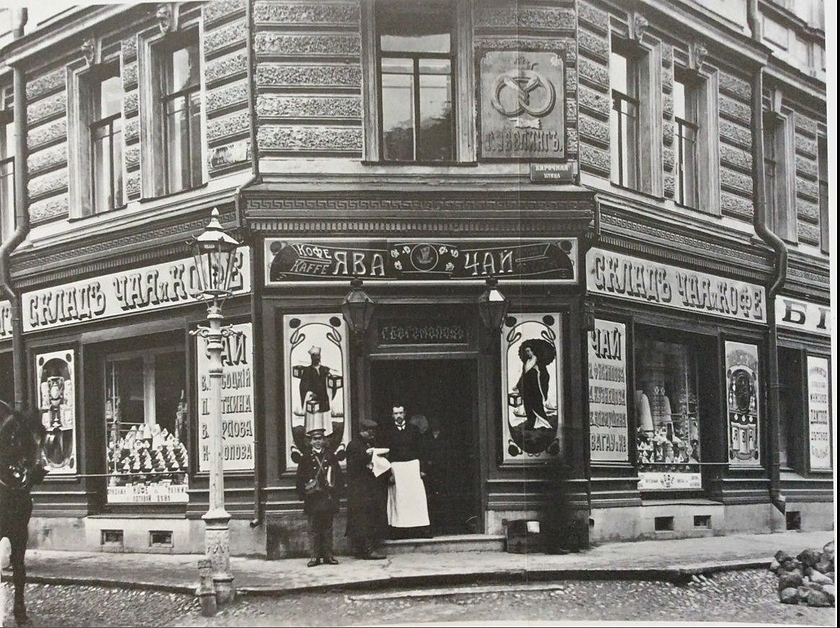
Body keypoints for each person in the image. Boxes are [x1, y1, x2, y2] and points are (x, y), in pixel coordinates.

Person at [295, 428, 343, 567]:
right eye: (314, 439)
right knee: (314, 529)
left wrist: (336, 493)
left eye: (320, 439)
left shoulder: (330, 456)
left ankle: (328, 555)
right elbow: (299, 478)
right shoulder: (306, 457)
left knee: (328, 528)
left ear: (324, 441)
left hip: (327, 496)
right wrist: (303, 494)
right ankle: (314, 557)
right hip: (313, 498)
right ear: (310, 442)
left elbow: (338, 475)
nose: (317, 442)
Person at [381, 405, 430, 539]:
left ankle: (421, 529)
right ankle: (398, 531)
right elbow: (384, 454)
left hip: (413, 467)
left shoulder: (413, 430)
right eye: (396, 413)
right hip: (397, 468)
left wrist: (422, 469)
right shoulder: (388, 432)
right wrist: (389, 473)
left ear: (405, 414)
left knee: (416, 498)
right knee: (399, 499)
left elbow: (422, 450)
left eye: (401, 413)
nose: (398, 416)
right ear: (392, 415)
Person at [345, 418, 389, 560]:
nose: (371, 435)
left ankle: (364, 548)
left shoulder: (371, 443)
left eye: (373, 432)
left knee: (370, 516)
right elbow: (352, 466)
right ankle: (366, 549)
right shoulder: (353, 445)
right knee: (362, 518)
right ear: (362, 431)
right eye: (369, 432)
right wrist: (366, 455)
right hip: (359, 488)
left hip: (370, 487)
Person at [513, 341, 553, 431]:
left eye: (528, 351)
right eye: (526, 351)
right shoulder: (526, 362)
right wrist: (517, 385)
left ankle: (544, 423)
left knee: (537, 406)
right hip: (527, 389)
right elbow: (523, 376)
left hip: (535, 389)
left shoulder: (538, 362)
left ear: (533, 351)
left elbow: (545, 375)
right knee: (528, 407)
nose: (527, 353)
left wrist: (538, 372)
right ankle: (531, 424)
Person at [298, 346, 333, 435]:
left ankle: (326, 433)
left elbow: (330, 383)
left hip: (324, 398)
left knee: (323, 416)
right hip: (313, 399)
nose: (316, 357)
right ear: (311, 358)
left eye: (318, 355)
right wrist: (309, 393)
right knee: (314, 418)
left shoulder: (325, 369)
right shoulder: (307, 370)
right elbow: (303, 385)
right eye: (314, 356)